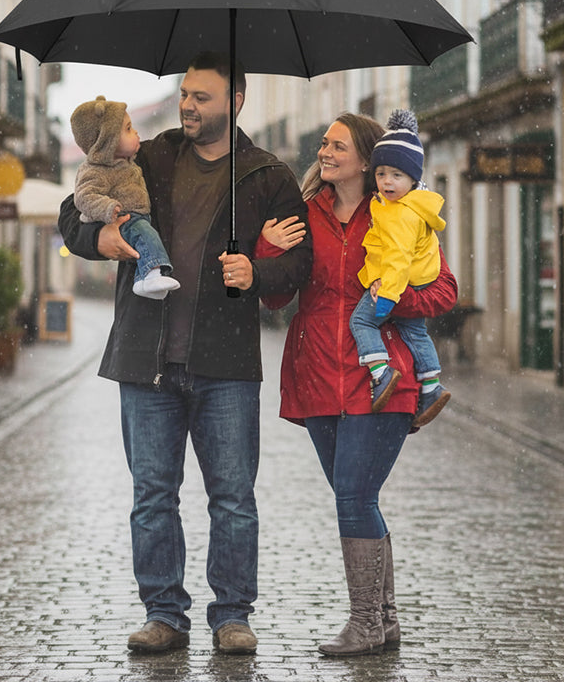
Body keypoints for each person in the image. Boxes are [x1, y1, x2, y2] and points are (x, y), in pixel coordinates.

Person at [58, 51, 312, 655]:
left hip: (226, 365)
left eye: (202, 96)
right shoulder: (151, 156)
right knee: (152, 495)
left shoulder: (267, 174)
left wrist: (258, 269)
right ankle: (164, 614)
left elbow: (299, 266)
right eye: (186, 94)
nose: (189, 105)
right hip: (145, 359)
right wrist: (104, 238)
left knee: (232, 497)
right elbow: (74, 214)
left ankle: (232, 615)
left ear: (236, 101)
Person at [259, 112, 457, 656]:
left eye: (336, 144)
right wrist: (269, 250)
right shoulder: (302, 214)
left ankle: (366, 623)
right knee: (355, 496)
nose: (324, 151)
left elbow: (444, 289)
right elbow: (275, 299)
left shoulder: (399, 214)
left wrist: (390, 305)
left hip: (384, 376)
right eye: (322, 142)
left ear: (368, 161)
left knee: (353, 494)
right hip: (317, 371)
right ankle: (385, 620)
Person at [349, 109, 451, 425]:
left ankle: (380, 372)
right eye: (381, 174)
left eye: (396, 175)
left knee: (362, 322)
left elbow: (397, 258)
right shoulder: (409, 207)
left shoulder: (401, 215)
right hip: (418, 281)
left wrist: (388, 297)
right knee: (415, 331)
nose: (387, 182)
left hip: (398, 284)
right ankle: (432, 385)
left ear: (413, 179)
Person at [70, 96, 179, 300]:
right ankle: (152, 273)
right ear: (107, 143)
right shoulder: (97, 170)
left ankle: (143, 279)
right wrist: (107, 209)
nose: (136, 132)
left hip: (136, 216)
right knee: (146, 235)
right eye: (128, 129)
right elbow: (82, 197)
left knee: (146, 237)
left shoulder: (128, 162)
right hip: (125, 218)